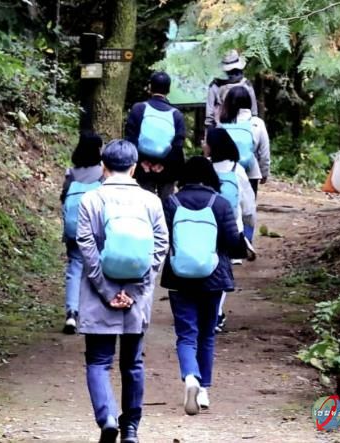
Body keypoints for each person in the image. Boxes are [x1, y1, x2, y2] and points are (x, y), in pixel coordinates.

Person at [76, 140, 169, 443]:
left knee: (98, 361)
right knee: (132, 363)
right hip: (135, 297)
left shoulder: (91, 199)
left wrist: (106, 291)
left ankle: (107, 418)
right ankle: (130, 429)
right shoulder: (151, 201)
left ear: (103, 166)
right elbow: (160, 247)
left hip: (98, 294)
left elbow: (87, 248)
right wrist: (136, 291)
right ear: (134, 167)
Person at [161, 156, 246, 416]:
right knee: (207, 334)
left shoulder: (171, 202)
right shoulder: (220, 203)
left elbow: (162, 237)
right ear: (210, 176)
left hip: (179, 277)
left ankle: (190, 377)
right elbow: (232, 243)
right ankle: (204, 390)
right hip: (213, 278)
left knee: (186, 334)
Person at [206, 127, 256, 332]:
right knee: (223, 271)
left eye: (206, 141)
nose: (203, 145)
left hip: (205, 225)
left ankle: (208, 312)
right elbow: (248, 206)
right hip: (231, 227)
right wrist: (249, 228)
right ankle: (216, 313)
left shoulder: (205, 167)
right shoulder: (237, 170)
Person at [60, 131, 103, 334]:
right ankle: (93, 313)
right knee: (96, 267)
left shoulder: (71, 173)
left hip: (74, 229)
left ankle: (71, 313)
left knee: (75, 268)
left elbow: (64, 199)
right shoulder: (103, 173)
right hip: (96, 229)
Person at [125, 71, 186, 200]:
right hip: (166, 169)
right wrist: (162, 165)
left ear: (150, 87)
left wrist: (142, 162)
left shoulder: (138, 108)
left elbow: (130, 139)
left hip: (142, 167)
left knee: (143, 202)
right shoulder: (176, 115)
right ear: (168, 90)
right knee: (167, 203)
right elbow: (177, 146)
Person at [220, 85, 270, 199]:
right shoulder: (257, 123)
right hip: (250, 171)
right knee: (248, 205)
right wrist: (264, 172)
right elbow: (264, 152)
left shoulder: (223, 124)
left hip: (227, 172)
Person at [205, 50, 258, 129]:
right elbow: (254, 114)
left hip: (221, 130)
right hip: (245, 129)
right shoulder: (247, 85)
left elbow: (209, 117)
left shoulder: (215, 86)